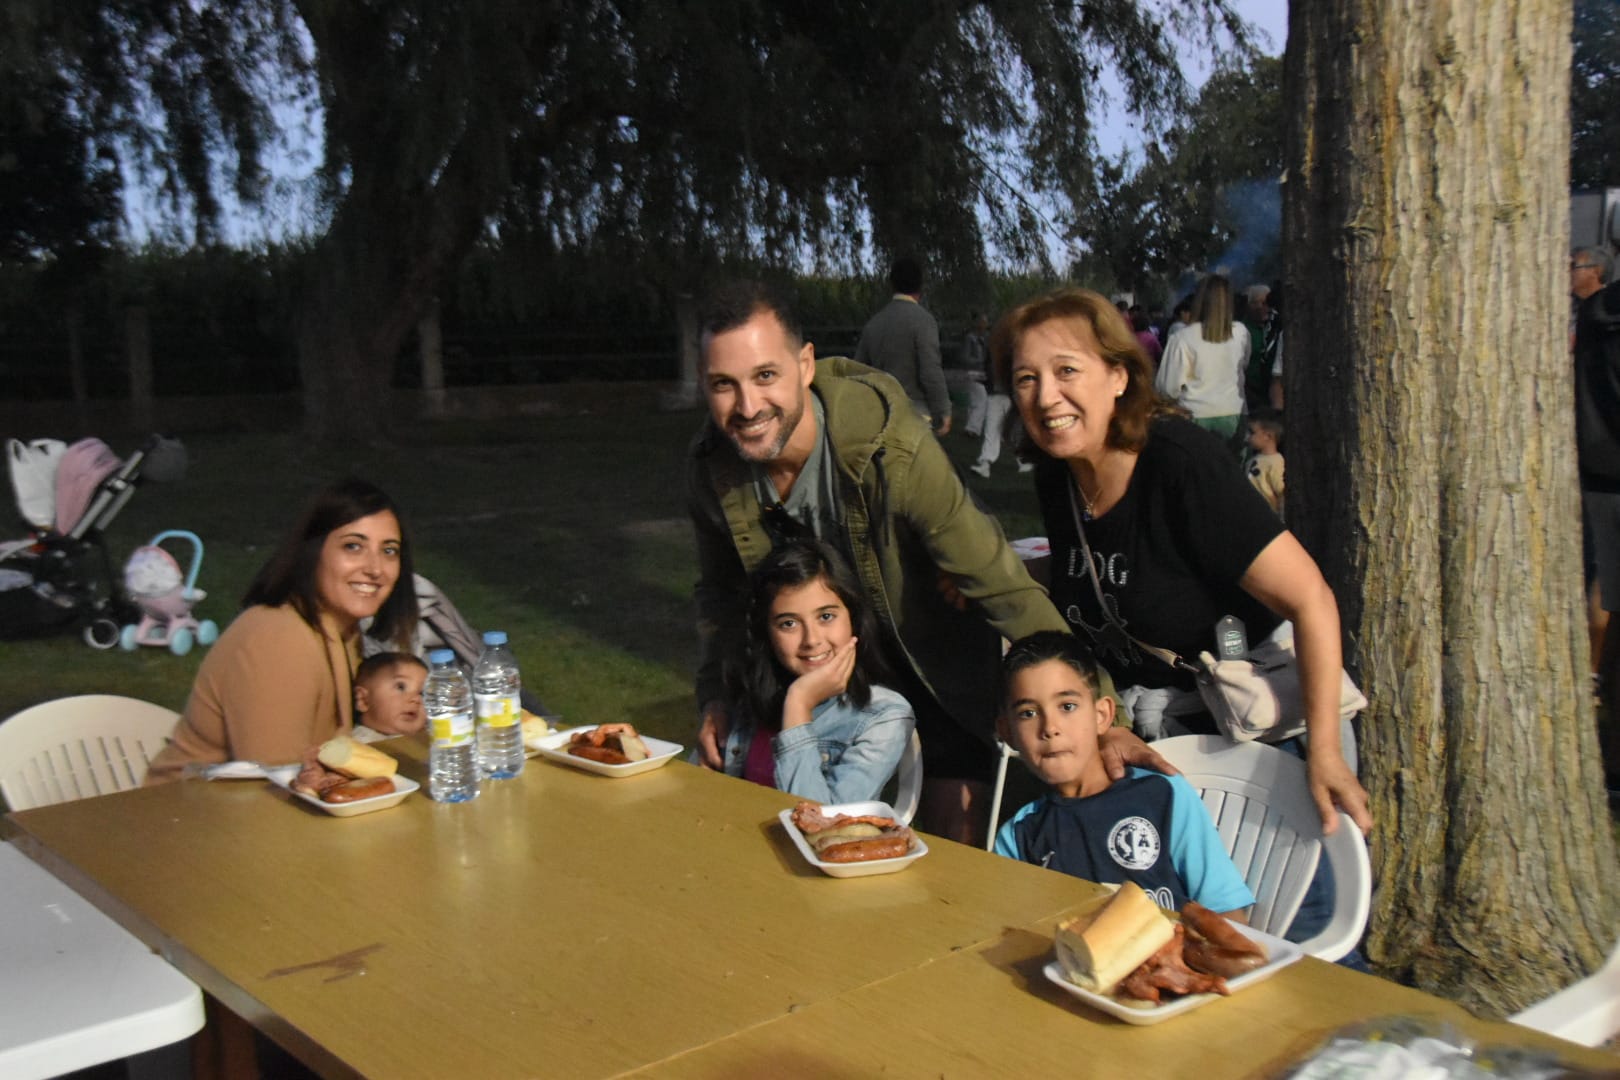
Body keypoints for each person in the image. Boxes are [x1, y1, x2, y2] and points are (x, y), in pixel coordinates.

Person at [687, 280, 1167, 843]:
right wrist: (716, 696)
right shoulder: (711, 470)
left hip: (930, 652)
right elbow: (722, 594)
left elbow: (1001, 584)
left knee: (946, 848)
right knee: (789, 837)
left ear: (805, 364)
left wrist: (1106, 710)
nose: (747, 406)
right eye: (725, 384)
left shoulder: (895, 448)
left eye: (765, 376)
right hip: (821, 661)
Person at [998, 286, 1370, 838]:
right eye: (1027, 378)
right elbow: (1101, 569)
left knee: (1260, 919)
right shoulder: (1060, 475)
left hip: (1257, 737)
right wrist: (994, 578)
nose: (1047, 396)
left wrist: (1324, 752)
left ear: (1118, 377)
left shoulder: (1179, 465)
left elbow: (1310, 599)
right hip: (1154, 741)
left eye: (1067, 371)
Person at [145, 478, 417, 783]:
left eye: (389, 551)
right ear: (312, 552)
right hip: (194, 816)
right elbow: (276, 781)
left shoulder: (344, 633)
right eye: (353, 546)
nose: (375, 568)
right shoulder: (278, 637)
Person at [992, 632, 1254, 914]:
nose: (1050, 728)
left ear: (1102, 715)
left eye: (1067, 707)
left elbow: (1227, 912)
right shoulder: (1019, 836)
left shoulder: (1162, 795)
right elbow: (1013, 930)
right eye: (1028, 713)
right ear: (1007, 732)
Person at [714, 540, 914, 803]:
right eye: (788, 623)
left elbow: (823, 824)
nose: (812, 639)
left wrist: (799, 703)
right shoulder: (755, 692)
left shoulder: (884, 716)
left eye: (826, 617)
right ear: (767, 633)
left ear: (853, 619)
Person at [1572, 245, 1620, 783]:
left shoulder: (1592, 316)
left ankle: (1595, 678)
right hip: (1606, 473)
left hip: (1595, 466)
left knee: (1604, 589)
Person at [855, 257, 952, 435]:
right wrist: (943, 409)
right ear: (920, 285)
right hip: (914, 413)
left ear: (892, 284)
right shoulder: (923, 321)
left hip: (879, 413)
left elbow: (858, 369)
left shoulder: (874, 323)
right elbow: (930, 370)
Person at [1154, 275, 1250, 441]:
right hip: (1235, 413)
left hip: (1194, 416)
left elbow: (1168, 388)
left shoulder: (1182, 337)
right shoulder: (1242, 332)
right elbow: (1244, 365)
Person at [970, 315, 1031, 479]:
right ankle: (986, 463)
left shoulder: (1015, 349)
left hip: (1010, 394)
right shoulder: (998, 348)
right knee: (995, 429)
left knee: (1012, 429)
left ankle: (1021, 461)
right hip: (999, 393)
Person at [353, 651, 427, 738]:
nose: (416, 699)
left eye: (422, 693)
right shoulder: (354, 746)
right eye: (401, 687)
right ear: (363, 700)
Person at [1245, 409, 1286, 519]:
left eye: (1252, 432)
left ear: (1268, 436)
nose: (1247, 436)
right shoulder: (1251, 460)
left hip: (1268, 518)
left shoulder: (1276, 462)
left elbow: (1281, 492)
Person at [962, 312, 991, 437]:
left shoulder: (985, 338)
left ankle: (970, 427)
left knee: (975, 400)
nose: (985, 324)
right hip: (973, 372)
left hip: (982, 372)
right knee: (981, 399)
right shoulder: (970, 338)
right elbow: (965, 358)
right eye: (983, 322)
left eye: (986, 322)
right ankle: (973, 428)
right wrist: (981, 360)